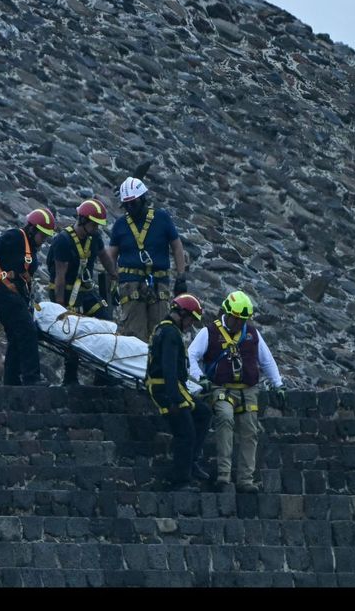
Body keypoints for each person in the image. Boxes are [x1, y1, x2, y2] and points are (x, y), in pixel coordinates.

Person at [188, 290, 285, 493]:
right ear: (228, 313)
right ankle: (224, 475)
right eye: (237, 319)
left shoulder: (252, 334)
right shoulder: (209, 332)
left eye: (243, 319)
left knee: (250, 432)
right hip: (221, 388)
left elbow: (267, 361)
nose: (239, 323)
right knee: (225, 419)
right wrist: (200, 378)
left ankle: (245, 479)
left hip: (248, 390)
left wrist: (278, 385)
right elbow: (191, 355)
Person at [106, 177, 187, 341]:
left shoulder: (161, 218)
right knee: (134, 334)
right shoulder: (121, 225)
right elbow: (110, 256)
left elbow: (177, 247)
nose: (130, 208)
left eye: (133, 203)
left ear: (143, 199)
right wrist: (111, 284)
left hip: (158, 283)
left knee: (159, 332)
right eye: (126, 205)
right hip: (130, 284)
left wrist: (181, 276)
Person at [0, 208, 56, 385]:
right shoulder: (15, 236)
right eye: (42, 235)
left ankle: (11, 382)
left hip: (14, 295)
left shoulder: (31, 247)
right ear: (32, 229)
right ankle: (32, 378)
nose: (43, 241)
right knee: (28, 330)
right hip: (3, 291)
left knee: (15, 337)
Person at [145, 294, 212, 491]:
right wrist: (174, 400)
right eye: (191, 319)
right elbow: (168, 369)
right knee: (186, 433)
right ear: (182, 314)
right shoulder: (170, 334)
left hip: (172, 387)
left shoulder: (165, 330)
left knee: (203, 413)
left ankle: (191, 463)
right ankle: (180, 479)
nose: (190, 325)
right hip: (167, 389)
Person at [47, 199, 117, 385]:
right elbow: (60, 276)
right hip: (66, 293)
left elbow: (105, 258)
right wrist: (60, 306)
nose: (96, 228)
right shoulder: (63, 241)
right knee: (73, 333)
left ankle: (103, 376)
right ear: (83, 220)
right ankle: (70, 378)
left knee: (106, 324)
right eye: (94, 224)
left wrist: (115, 275)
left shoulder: (95, 239)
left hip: (85, 292)